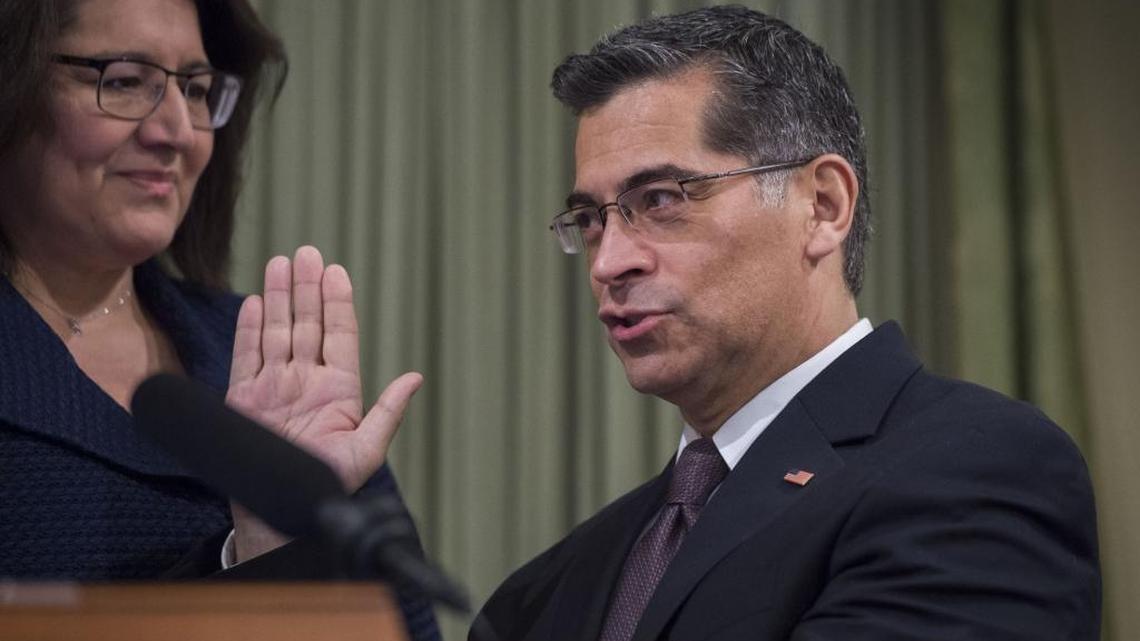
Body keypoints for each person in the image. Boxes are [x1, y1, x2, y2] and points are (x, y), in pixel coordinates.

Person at [468, 6, 1100, 640]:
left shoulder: (975, 471)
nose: (608, 262)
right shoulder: (562, 578)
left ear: (823, 207)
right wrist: (367, 521)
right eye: (592, 220)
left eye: (659, 200)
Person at [0, 1, 438, 639]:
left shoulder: (272, 353)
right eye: (124, 80)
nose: (177, 129)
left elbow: (403, 627)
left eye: (198, 90)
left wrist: (276, 544)